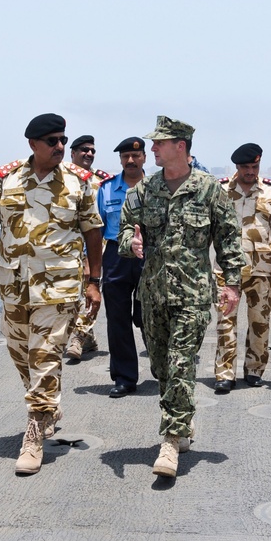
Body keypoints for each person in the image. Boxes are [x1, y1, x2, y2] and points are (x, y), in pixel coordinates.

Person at [0, 113, 103, 476]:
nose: (60, 147)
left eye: (62, 140)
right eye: (52, 141)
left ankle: (35, 433)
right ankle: (48, 403)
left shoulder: (78, 182)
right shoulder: (8, 177)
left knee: (44, 356)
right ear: (33, 145)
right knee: (20, 353)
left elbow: (93, 232)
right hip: (14, 286)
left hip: (58, 289)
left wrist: (93, 281)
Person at [119, 115, 243, 478]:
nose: (151, 148)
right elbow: (125, 228)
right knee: (160, 367)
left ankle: (171, 441)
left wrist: (232, 284)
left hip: (191, 294)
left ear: (181, 147)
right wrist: (131, 243)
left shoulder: (209, 190)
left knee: (180, 365)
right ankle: (182, 420)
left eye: (159, 143)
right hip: (153, 295)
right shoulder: (145, 190)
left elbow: (229, 239)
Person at [213, 143, 271, 392]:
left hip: (261, 268)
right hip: (227, 269)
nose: (250, 171)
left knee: (260, 322)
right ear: (237, 166)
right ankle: (225, 373)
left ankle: (255, 369)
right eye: (245, 167)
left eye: (254, 166)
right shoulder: (221, 189)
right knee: (226, 321)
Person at [97, 137, 146, 398]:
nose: (130, 160)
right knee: (117, 320)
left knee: (150, 316)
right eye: (126, 156)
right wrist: (90, 267)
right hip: (116, 255)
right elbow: (96, 231)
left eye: (136, 156)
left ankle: (164, 369)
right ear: (120, 159)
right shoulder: (105, 189)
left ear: (144, 158)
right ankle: (125, 378)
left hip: (149, 255)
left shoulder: (156, 187)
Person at [65, 134, 112, 360]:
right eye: (84, 150)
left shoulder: (102, 183)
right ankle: (89, 336)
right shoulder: (60, 179)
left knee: (91, 291)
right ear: (72, 153)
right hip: (66, 249)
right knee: (71, 297)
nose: (89, 154)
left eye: (92, 151)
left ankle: (79, 336)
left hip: (94, 248)